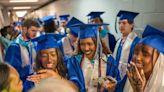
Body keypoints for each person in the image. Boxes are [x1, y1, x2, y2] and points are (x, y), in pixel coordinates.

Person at [67, 24, 120, 92]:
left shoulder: (109, 61)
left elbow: (117, 83)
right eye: (82, 44)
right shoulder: (74, 61)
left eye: (89, 44)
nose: (86, 48)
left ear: (96, 43)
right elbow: (73, 81)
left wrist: (111, 88)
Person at [123, 25, 164, 92]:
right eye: (135, 52)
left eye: (145, 54)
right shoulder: (131, 79)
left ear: (159, 61)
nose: (137, 58)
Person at [5, 18, 40, 92]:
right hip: (22, 86)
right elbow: (12, 72)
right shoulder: (14, 47)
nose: (35, 34)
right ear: (24, 29)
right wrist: (31, 67)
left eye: (36, 31)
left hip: (35, 84)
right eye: (33, 30)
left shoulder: (32, 44)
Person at [112, 10, 140, 91]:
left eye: (124, 23)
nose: (121, 25)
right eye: (119, 23)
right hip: (115, 79)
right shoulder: (118, 41)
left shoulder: (137, 42)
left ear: (132, 25)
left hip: (128, 81)